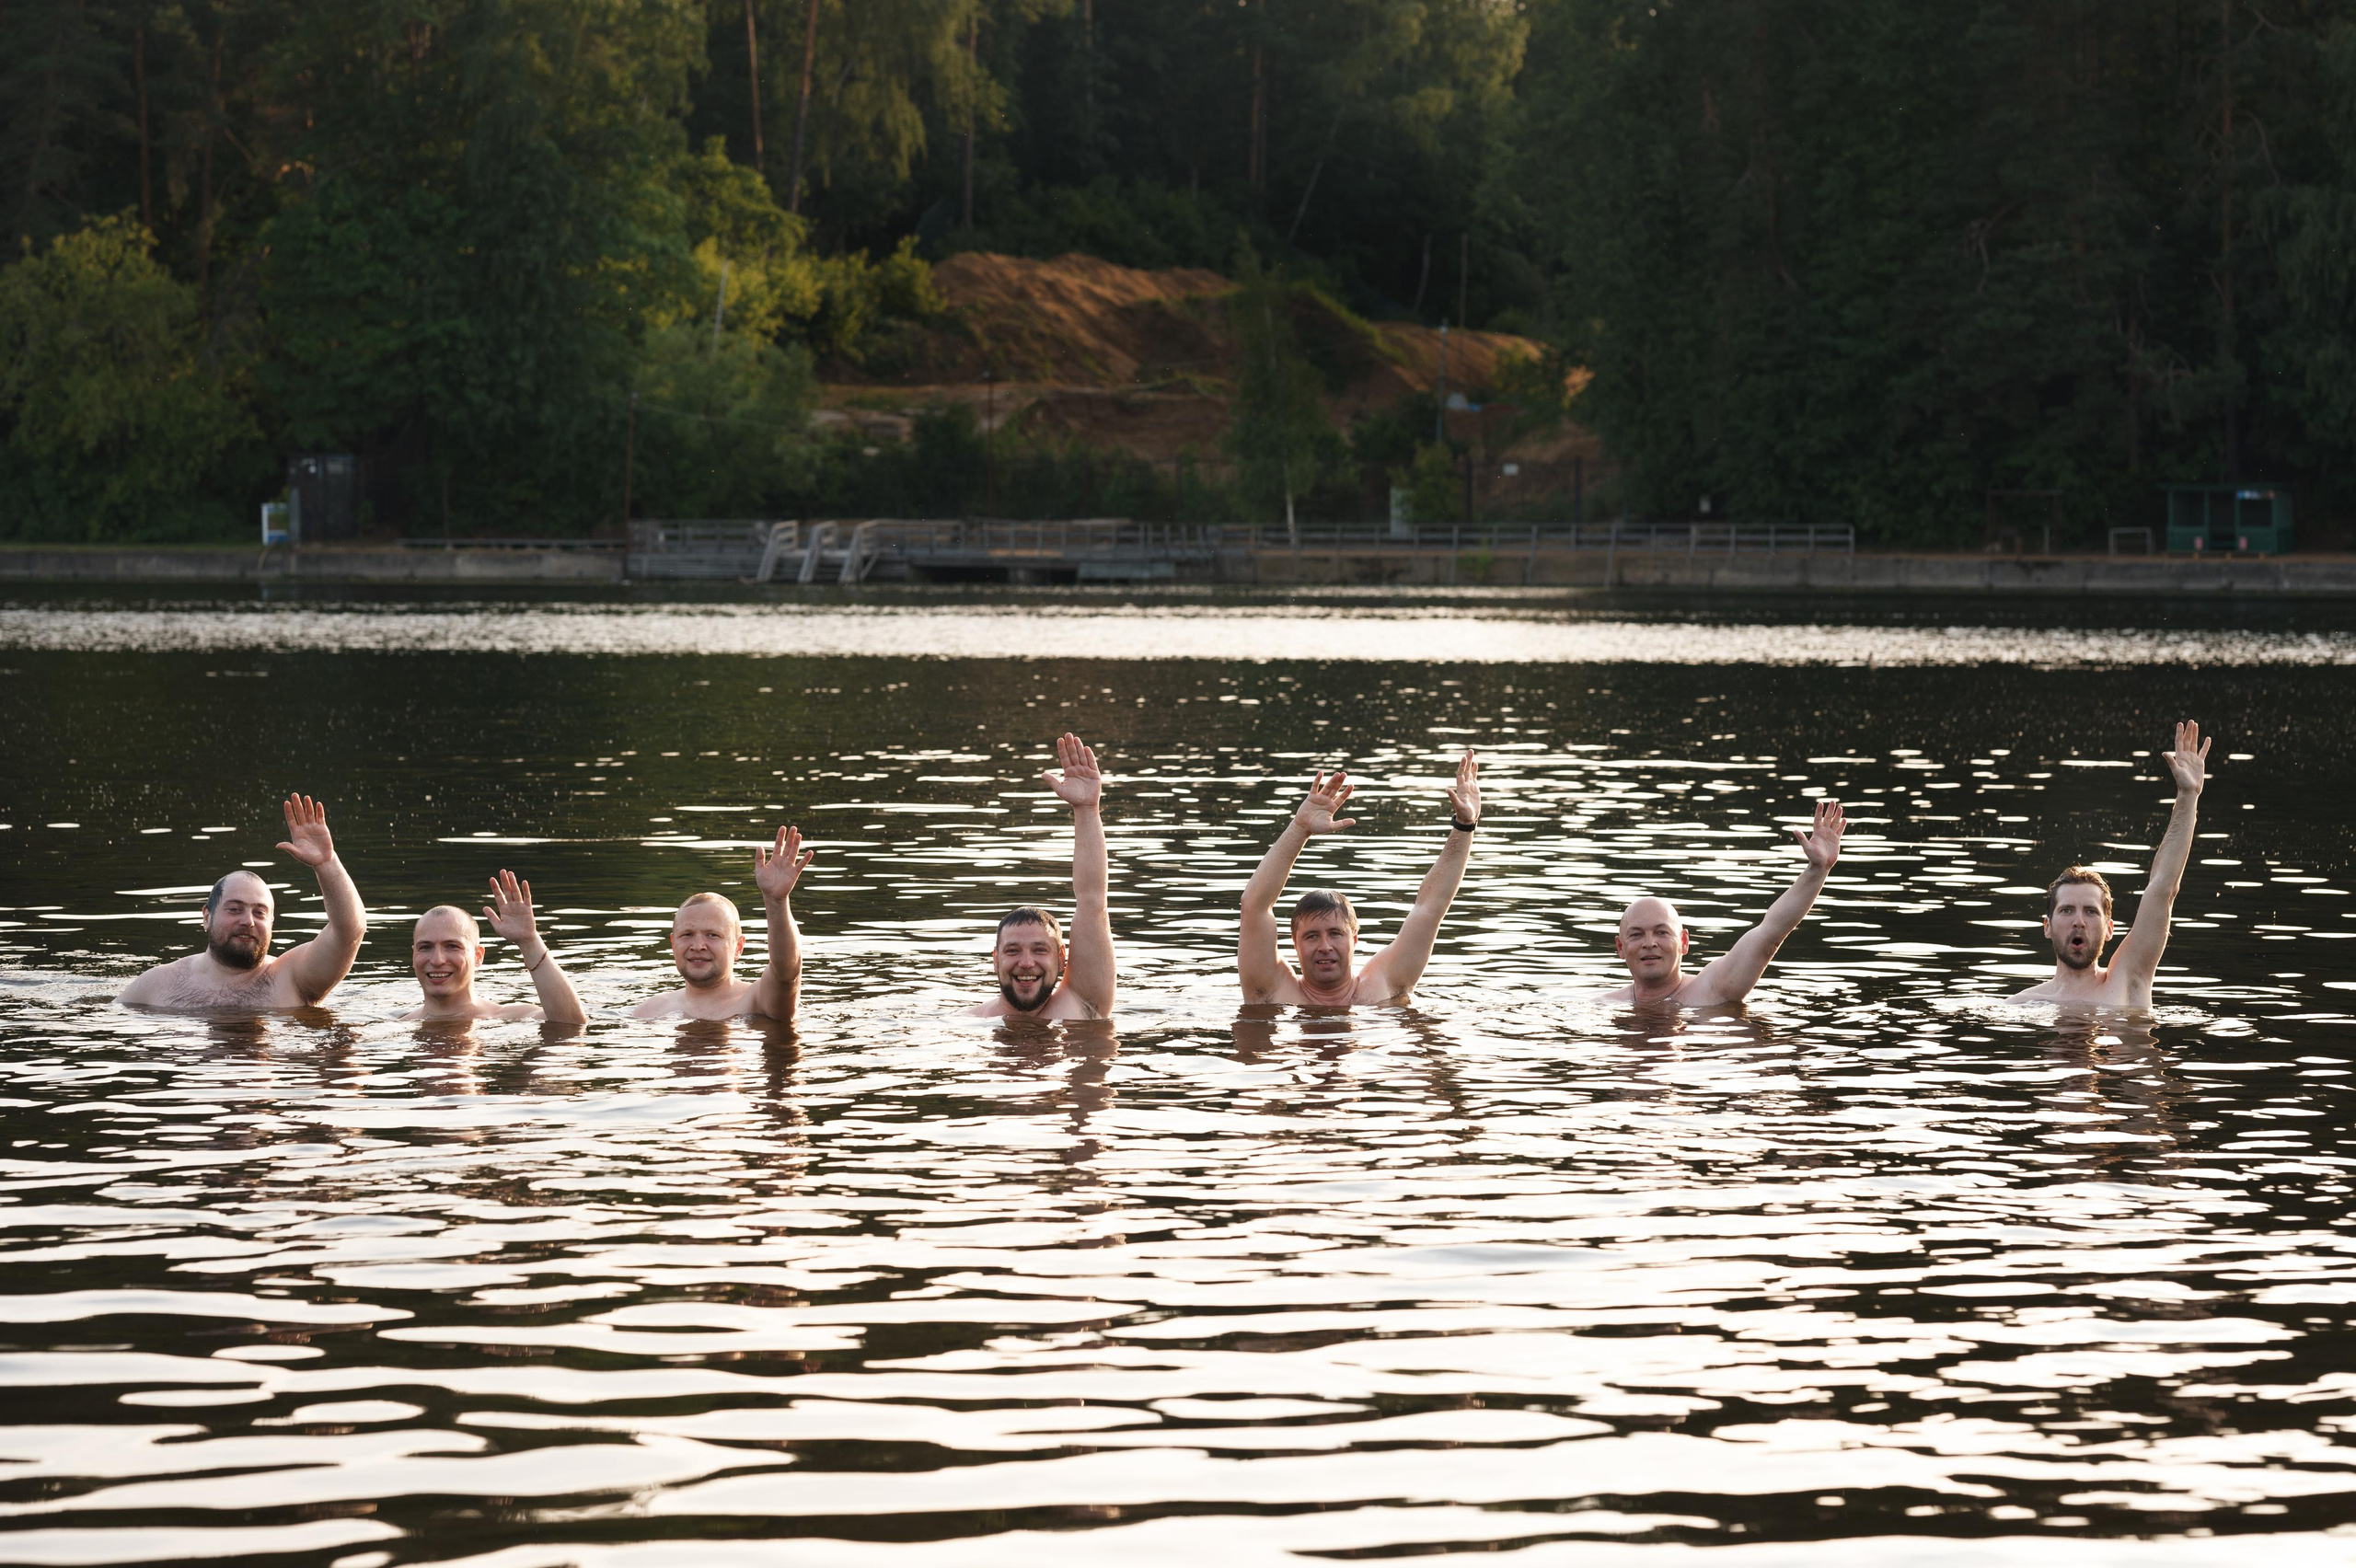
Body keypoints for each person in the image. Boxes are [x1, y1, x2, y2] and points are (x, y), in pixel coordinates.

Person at [1238, 751, 1481, 1008]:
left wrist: (1465, 827)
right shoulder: (1274, 991)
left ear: (1354, 938)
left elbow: (1430, 907)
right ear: (1294, 943)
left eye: (1335, 933)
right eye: (1311, 936)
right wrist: (1299, 829)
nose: (1325, 947)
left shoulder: (1383, 984)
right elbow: (1254, 907)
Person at [2012, 720, 2210, 1009]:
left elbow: (2163, 888)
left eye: (2091, 911)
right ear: (2047, 926)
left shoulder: (2127, 980)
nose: (2079, 921)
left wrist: (2188, 797)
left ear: (2109, 929)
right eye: (2067, 910)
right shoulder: (2021, 1004)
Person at [117, 795, 367, 1012]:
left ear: (271, 923)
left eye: (259, 913)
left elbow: (348, 932)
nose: (248, 921)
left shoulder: (291, 977)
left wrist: (326, 863)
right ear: (206, 916)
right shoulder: (158, 983)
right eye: (235, 909)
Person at [1602, 797, 1845, 1008]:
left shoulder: (1712, 989)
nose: (1649, 943)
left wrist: (1817, 870)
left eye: (1662, 932)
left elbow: (1770, 934)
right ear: (1620, 948)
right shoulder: (1605, 1005)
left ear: (1684, 942)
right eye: (1636, 935)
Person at [967, 733, 1114, 1020]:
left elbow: (1092, 901)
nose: (1026, 963)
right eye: (1012, 950)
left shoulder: (1082, 1006)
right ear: (995, 960)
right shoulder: (965, 1024)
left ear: (1062, 958)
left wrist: (1087, 810)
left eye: (1039, 950)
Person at [630, 826, 813, 1021]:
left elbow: (786, 973)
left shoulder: (757, 1000)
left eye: (712, 935)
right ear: (673, 944)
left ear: (738, 947)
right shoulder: (650, 1011)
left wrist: (777, 902)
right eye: (687, 935)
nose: (698, 946)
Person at [403, 870, 588, 1026]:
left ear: (478, 956)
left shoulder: (510, 1019)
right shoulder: (395, 1027)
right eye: (425, 947)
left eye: (452, 946)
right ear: (413, 956)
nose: (437, 960)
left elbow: (571, 1024)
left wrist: (529, 941)